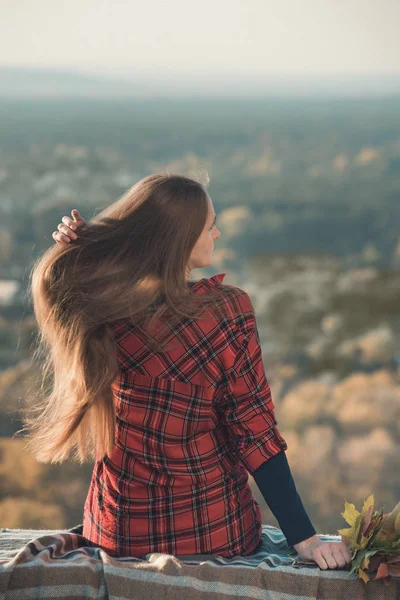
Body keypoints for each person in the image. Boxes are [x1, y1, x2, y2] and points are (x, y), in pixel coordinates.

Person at [25, 174, 351, 569]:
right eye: (208, 224)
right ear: (178, 237)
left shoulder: (104, 306)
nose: (217, 232)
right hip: (211, 532)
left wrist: (85, 246)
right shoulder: (224, 312)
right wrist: (304, 536)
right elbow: (254, 430)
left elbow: (55, 279)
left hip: (115, 532)